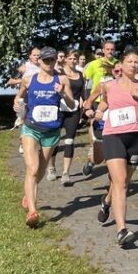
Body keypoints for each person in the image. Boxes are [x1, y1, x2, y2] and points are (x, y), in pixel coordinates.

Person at [88, 48, 138, 246]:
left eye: (137, 62)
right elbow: (100, 103)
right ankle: (122, 230)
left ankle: (107, 202)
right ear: (121, 63)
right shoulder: (109, 86)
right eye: (130, 61)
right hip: (113, 136)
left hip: (136, 137)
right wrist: (94, 111)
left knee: (123, 181)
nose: (134, 65)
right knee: (120, 182)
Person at [13, 47, 76, 227]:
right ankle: (33, 211)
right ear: (39, 61)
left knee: (40, 170)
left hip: (52, 131)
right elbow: (18, 98)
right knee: (32, 168)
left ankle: (28, 194)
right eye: (46, 60)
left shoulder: (62, 79)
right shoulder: (29, 79)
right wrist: (17, 106)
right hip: (31, 128)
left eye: (52, 60)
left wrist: (63, 93)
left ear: (56, 61)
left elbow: (72, 104)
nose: (49, 64)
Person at [49, 49, 86, 186]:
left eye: (75, 59)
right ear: (65, 60)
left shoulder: (80, 75)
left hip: (74, 111)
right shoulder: (59, 74)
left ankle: (66, 173)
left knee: (70, 141)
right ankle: (51, 168)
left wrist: (83, 107)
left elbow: (82, 94)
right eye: (70, 58)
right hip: (59, 110)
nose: (72, 61)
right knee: (55, 140)